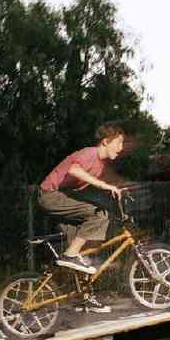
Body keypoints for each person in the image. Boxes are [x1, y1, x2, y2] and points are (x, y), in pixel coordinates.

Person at [37, 122, 125, 312]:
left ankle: (84, 296)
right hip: (50, 195)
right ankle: (70, 255)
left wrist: (112, 191)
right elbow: (74, 171)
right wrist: (105, 186)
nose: (121, 148)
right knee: (98, 215)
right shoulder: (89, 153)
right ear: (105, 142)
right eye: (118, 142)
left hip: (63, 197)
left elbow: (81, 192)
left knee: (85, 252)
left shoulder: (100, 165)